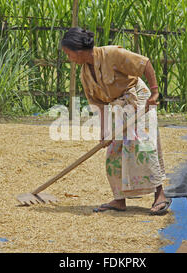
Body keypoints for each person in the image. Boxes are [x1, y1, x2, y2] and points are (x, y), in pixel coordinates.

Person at [61, 27, 171, 215]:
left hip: (139, 98)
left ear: (78, 51)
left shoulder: (112, 54)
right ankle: (119, 200)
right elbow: (100, 105)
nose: (69, 58)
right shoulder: (85, 74)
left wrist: (154, 92)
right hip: (120, 107)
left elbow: (144, 64)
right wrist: (104, 133)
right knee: (114, 151)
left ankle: (160, 194)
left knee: (143, 146)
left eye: (68, 53)